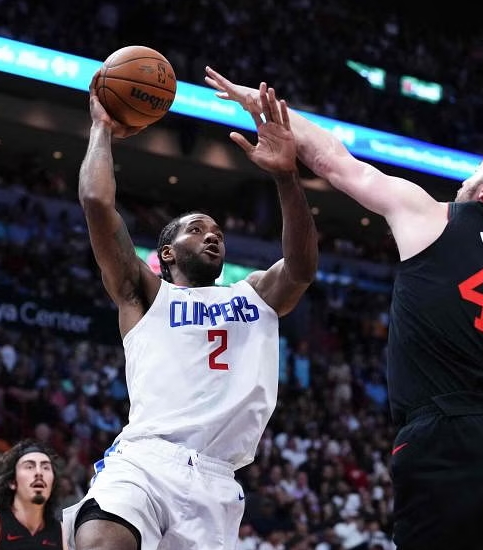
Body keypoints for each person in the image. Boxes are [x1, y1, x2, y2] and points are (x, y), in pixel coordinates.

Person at [205, 67, 483, 550]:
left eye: (473, 174)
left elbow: (335, 161)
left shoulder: (434, 217)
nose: (464, 181)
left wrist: (259, 104)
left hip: (447, 442)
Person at [62, 73, 318, 550]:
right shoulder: (144, 294)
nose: (212, 235)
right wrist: (101, 128)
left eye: (217, 231)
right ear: (167, 253)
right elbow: (96, 201)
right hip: (145, 461)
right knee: (100, 538)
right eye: (197, 229)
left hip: (216, 483)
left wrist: (287, 177)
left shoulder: (255, 294)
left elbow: (302, 267)